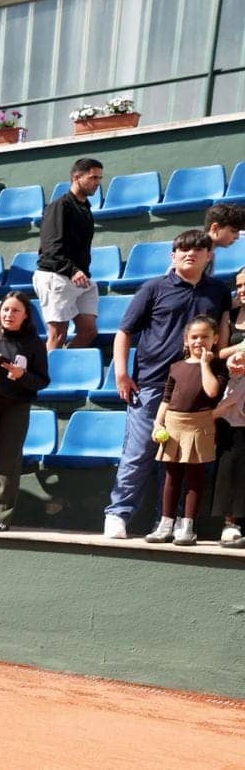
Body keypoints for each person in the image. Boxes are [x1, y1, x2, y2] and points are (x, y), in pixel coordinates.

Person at [107, 230, 231, 539]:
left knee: (180, 458)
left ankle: (171, 522)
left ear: (209, 255)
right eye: (183, 249)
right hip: (151, 383)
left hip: (197, 387)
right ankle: (118, 514)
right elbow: (125, 332)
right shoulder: (153, 288)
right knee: (139, 451)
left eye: (198, 249)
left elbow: (224, 335)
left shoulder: (218, 291)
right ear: (172, 256)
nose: (190, 253)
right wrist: (121, 373)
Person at [145, 316, 226, 546]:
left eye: (205, 337)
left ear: (215, 339)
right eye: (194, 337)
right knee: (172, 476)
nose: (199, 341)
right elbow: (166, 398)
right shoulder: (176, 367)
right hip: (173, 424)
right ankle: (166, 523)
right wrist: (157, 423)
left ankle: (188, 526)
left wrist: (203, 364)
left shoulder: (216, 366)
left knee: (195, 477)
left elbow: (212, 392)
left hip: (200, 424)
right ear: (186, 340)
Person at [0, 292, 50, 531]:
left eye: (15, 310)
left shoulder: (34, 342)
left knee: (7, 461)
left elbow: (42, 380)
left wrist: (23, 376)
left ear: (26, 315)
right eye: (6, 309)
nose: (9, 315)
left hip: (15, 407)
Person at [35, 158, 105, 352]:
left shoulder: (86, 208)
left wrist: (78, 272)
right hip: (56, 275)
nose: (97, 182)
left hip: (80, 278)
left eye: (99, 178)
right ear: (76, 177)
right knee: (57, 334)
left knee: (89, 331)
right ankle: (45, 379)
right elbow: (51, 247)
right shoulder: (60, 206)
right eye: (93, 178)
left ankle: (62, 365)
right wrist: (72, 270)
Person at [214, 270, 245, 547]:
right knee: (232, 457)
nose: (243, 289)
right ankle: (230, 523)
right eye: (239, 285)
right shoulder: (229, 315)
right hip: (234, 395)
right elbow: (218, 351)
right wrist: (237, 354)